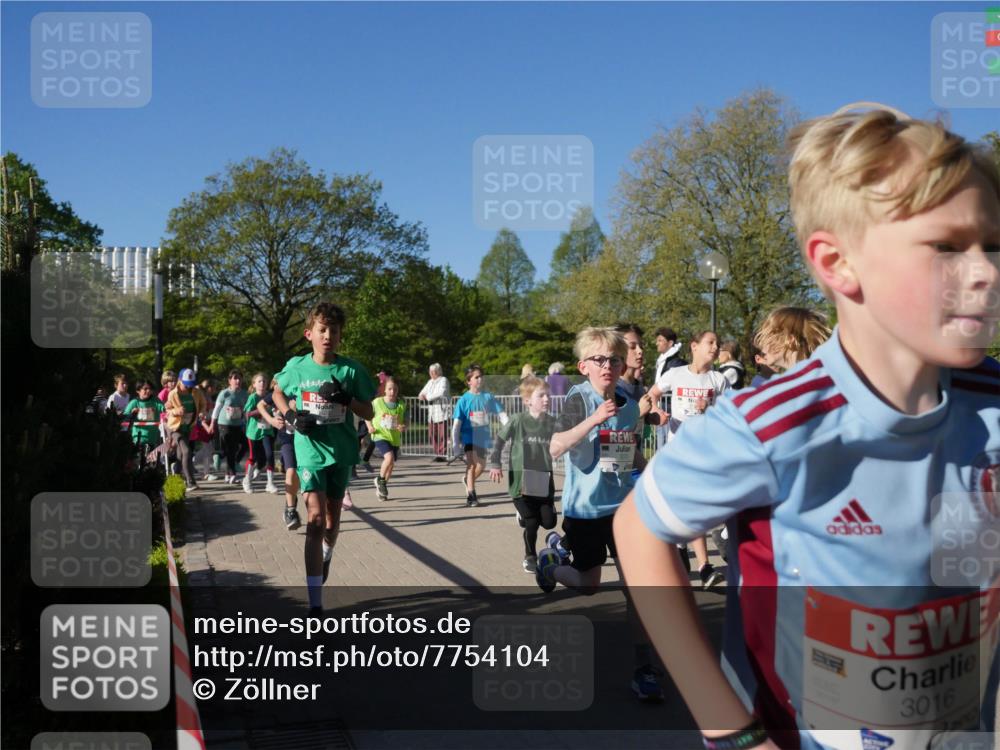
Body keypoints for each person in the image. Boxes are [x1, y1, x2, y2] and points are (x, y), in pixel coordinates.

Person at [614, 102, 1000, 750]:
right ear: (836, 263)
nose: (985, 271)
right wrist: (731, 731)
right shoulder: (772, 424)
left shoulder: (991, 403)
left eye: (992, 245)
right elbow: (638, 528)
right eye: (946, 246)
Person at [535, 326, 664, 702]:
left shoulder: (628, 403)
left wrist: (650, 477)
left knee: (636, 589)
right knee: (589, 584)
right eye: (599, 359)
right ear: (584, 366)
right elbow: (555, 446)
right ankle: (550, 566)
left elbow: (628, 449)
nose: (608, 365)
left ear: (623, 365)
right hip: (586, 510)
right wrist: (594, 419)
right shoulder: (577, 398)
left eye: (615, 359)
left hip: (623, 509)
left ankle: (644, 669)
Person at [272, 302, 375, 616]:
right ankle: (315, 602)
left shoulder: (350, 370)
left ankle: (327, 553)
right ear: (309, 334)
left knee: (331, 523)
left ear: (340, 336)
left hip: (340, 453)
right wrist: (291, 416)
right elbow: (277, 392)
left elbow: (370, 412)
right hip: (309, 452)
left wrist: (346, 398)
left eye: (334, 330)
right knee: (315, 520)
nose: (328, 335)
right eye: (322, 330)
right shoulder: (297, 367)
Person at [646, 330, 729, 589]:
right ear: (694, 346)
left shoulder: (719, 380)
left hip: (705, 454)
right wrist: (656, 411)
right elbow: (652, 394)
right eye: (710, 342)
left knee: (694, 509)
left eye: (718, 344)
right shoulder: (676, 374)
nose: (715, 347)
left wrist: (711, 410)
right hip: (678, 453)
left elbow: (729, 414)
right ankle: (701, 566)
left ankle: (692, 557)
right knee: (689, 509)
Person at [488, 376, 557, 574]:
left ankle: (546, 533)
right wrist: (495, 463)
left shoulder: (552, 422)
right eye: (541, 396)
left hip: (543, 482)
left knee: (549, 522)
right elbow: (499, 441)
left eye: (548, 395)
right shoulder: (517, 420)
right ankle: (530, 556)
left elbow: (566, 440)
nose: (546, 399)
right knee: (532, 523)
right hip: (521, 483)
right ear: (527, 401)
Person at [451, 365, 508, 507]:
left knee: (481, 466)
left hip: (482, 437)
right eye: (476, 377)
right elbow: (456, 425)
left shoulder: (488, 397)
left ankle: (467, 480)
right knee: (471, 464)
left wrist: (509, 427)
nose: (480, 379)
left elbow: (502, 414)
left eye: (481, 376)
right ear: (468, 381)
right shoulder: (464, 400)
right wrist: (455, 445)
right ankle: (471, 495)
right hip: (468, 436)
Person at [259, 378, 302, 530]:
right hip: (287, 440)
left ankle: (291, 504)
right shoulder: (279, 392)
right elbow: (260, 405)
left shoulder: (303, 388)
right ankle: (290, 511)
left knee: (301, 477)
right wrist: (271, 420)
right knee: (291, 471)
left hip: (306, 440)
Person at [753, 306, 832, 375]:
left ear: (790, 339)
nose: (763, 348)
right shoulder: (821, 372)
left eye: (768, 337)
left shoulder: (802, 381)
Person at [165, 368, 208, 491]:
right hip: (174, 427)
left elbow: (203, 404)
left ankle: (175, 480)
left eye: (191, 384)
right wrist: (176, 411)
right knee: (187, 451)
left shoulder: (196, 392)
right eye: (186, 384)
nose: (188, 387)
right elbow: (167, 409)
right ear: (179, 380)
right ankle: (190, 482)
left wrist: (202, 413)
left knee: (180, 455)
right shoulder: (173, 393)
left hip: (188, 426)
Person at [369, 376, 406, 501]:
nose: (392, 392)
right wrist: (369, 427)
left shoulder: (401, 404)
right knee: (389, 458)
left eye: (395, 389)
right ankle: (380, 480)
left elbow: (405, 420)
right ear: (384, 389)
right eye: (389, 389)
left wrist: (403, 426)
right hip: (380, 435)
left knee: (391, 465)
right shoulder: (377, 402)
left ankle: (382, 490)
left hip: (394, 438)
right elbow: (367, 415)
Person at [208, 369, 248, 484]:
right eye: (235, 378)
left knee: (244, 445)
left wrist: (246, 421)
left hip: (238, 424)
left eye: (239, 378)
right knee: (231, 449)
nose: (238, 381)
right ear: (229, 381)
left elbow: (246, 410)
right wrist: (212, 424)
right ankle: (233, 474)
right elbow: (216, 409)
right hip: (224, 424)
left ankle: (230, 467)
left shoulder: (244, 394)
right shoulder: (224, 393)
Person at [243, 372, 278, 495]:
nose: (262, 383)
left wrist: (275, 413)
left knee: (270, 455)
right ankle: (247, 480)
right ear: (254, 384)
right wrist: (261, 411)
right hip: (254, 432)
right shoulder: (253, 397)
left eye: (264, 381)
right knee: (253, 457)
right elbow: (247, 414)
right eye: (259, 381)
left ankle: (270, 483)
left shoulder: (270, 396)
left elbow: (275, 410)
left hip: (267, 430)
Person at [652, 327, 686, 447]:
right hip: (662, 405)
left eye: (660, 340)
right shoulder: (662, 361)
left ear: (670, 343)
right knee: (661, 439)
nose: (657, 343)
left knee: (668, 440)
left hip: (670, 407)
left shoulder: (676, 363)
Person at [418, 363, 451, 461]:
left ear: (439, 371)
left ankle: (442, 454)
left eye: (434, 371)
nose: (432, 373)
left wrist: (428, 396)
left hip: (442, 412)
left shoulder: (443, 380)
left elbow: (441, 392)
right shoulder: (430, 382)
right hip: (432, 413)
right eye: (430, 371)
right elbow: (421, 393)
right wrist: (423, 396)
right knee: (432, 434)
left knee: (442, 435)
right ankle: (437, 453)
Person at [123, 379, 164, 457]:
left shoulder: (156, 401)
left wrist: (168, 407)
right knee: (138, 460)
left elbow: (164, 408)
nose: (148, 391)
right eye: (145, 389)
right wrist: (132, 414)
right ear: (138, 391)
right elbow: (125, 418)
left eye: (150, 389)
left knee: (151, 461)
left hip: (153, 439)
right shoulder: (134, 402)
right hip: (137, 439)